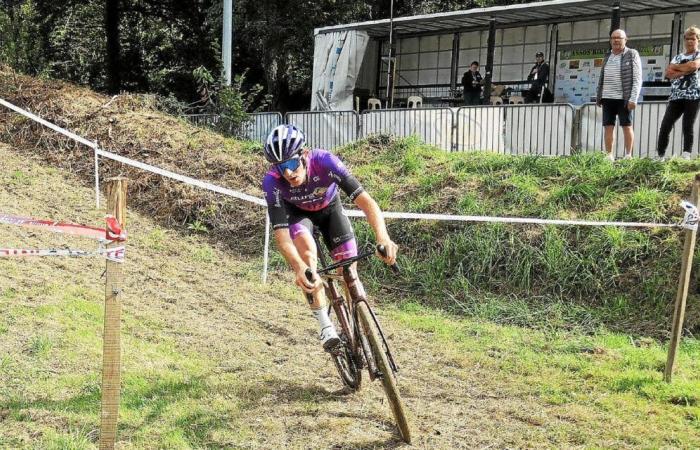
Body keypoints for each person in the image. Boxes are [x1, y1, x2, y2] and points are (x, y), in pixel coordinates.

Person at [262, 124, 398, 352]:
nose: (288, 173)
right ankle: (326, 327)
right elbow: (282, 236)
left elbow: (367, 202)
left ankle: (361, 320)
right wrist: (298, 267)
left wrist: (383, 237)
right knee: (307, 261)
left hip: (330, 211)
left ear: (304, 155)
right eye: (281, 167)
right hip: (298, 215)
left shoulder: (325, 162)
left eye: (292, 163)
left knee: (349, 271)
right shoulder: (272, 183)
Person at [596, 29, 643, 161]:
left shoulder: (632, 54)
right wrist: (599, 96)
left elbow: (637, 78)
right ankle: (609, 155)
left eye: (619, 38)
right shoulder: (607, 56)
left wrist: (633, 98)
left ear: (625, 40)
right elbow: (602, 77)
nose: (616, 40)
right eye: (613, 38)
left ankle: (628, 155)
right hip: (607, 97)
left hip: (624, 98)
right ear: (610, 40)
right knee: (608, 126)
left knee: (626, 125)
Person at [657, 26, 700, 161]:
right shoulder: (678, 56)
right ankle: (660, 155)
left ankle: (686, 153)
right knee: (666, 125)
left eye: (693, 39)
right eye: (687, 39)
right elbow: (668, 73)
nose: (690, 42)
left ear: (698, 40)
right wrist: (685, 70)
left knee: (688, 125)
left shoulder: (698, 55)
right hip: (676, 96)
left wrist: (678, 69)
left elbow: (694, 66)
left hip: (693, 95)